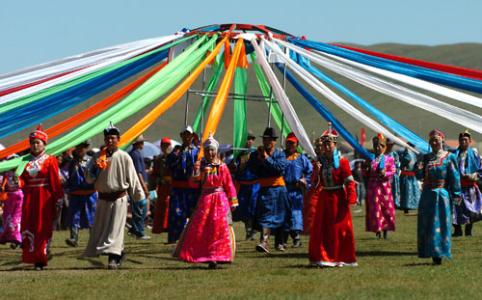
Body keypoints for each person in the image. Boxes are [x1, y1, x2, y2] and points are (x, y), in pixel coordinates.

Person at [83, 123, 145, 270]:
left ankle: (113, 258)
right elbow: (89, 179)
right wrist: (92, 169)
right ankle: (119, 252)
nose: (110, 141)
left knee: (115, 230)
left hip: (119, 199)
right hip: (103, 198)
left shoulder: (124, 157)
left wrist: (139, 197)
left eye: (112, 138)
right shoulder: (98, 157)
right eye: (107, 138)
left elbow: (133, 178)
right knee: (103, 229)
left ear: (118, 139)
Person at [174, 135, 238, 269]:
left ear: (216, 151)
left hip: (220, 201)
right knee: (202, 228)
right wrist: (195, 173)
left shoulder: (222, 166)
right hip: (205, 200)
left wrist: (233, 201)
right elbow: (193, 184)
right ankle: (204, 255)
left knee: (219, 229)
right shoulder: (201, 166)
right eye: (208, 150)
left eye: (212, 150)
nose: (210, 153)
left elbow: (229, 185)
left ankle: (219, 256)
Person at [309, 125, 357, 267]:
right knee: (323, 228)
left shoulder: (342, 162)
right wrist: (316, 172)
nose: (326, 147)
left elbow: (349, 181)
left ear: (334, 144)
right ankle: (323, 257)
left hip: (338, 199)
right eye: (324, 144)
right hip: (325, 198)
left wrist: (351, 197)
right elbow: (315, 183)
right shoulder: (319, 162)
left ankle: (340, 257)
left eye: (329, 144)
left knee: (339, 228)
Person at [20, 125, 64, 270]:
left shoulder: (50, 160)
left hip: (45, 198)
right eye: (33, 142)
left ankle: (41, 258)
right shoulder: (24, 161)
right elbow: (22, 179)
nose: (35, 145)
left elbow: (54, 182)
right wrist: (17, 182)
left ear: (44, 144)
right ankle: (32, 256)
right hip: (29, 198)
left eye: (38, 142)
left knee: (42, 227)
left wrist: (58, 198)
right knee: (29, 225)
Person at [416, 129, 461, 265]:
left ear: (442, 140)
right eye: (432, 140)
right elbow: (419, 176)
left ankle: (440, 253)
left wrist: (456, 195)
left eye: (436, 139)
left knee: (441, 224)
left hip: (442, 196)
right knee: (428, 224)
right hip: (427, 196)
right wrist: (418, 168)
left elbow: (455, 178)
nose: (434, 142)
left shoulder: (449, 157)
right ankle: (430, 251)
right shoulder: (425, 157)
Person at [247, 127, 289, 253]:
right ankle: (264, 242)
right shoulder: (256, 154)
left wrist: (266, 159)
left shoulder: (280, 154)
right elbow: (252, 169)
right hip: (265, 189)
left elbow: (279, 169)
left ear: (274, 141)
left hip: (279, 190)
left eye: (270, 140)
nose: (267, 142)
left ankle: (280, 242)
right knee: (266, 215)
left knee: (281, 216)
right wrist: (259, 160)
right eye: (265, 139)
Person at [166, 126, 200, 243]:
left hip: (192, 188)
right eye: (184, 135)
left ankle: (191, 238)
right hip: (177, 188)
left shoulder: (197, 151)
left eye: (189, 135)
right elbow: (169, 163)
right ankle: (174, 237)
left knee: (192, 213)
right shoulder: (176, 150)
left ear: (192, 137)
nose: (186, 137)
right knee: (176, 213)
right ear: (181, 136)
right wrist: (180, 154)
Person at [64, 141, 97, 247]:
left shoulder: (91, 161)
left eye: (82, 147)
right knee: (74, 216)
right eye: (78, 147)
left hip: (89, 194)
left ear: (86, 148)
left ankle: (94, 239)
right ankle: (74, 238)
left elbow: (94, 176)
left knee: (92, 217)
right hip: (75, 193)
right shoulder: (72, 162)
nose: (79, 149)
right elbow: (71, 177)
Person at [283, 132, 312, 248]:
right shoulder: (281, 157)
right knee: (284, 215)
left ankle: (296, 238)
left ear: (297, 144)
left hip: (296, 190)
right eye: (288, 142)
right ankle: (283, 239)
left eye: (292, 143)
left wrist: (305, 180)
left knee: (295, 214)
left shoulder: (302, 158)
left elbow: (310, 171)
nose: (290, 145)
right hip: (283, 190)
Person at [365, 134, 396, 239]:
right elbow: (367, 172)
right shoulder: (371, 159)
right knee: (375, 209)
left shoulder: (389, 159)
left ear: (384, 147)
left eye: (380, 146)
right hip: (373, 187)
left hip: (384, 187)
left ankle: (385, 230)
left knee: (386, 208)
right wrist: (367, 170)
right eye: (376, 146)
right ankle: (377, 230)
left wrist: (385, 173)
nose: (378, 148)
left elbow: (393, 170)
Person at [230, 131, 260, 240]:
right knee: (243, 209)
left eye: (251, 139)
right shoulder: (237, 154)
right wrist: (234, 166)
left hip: (255, 186)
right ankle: (248, 231)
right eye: (247, 138)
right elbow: (232, 169)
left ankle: (253, 230)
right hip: (242, 186)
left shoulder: (257, 153)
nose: (249, 141)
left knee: (254, 208)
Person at [452, 130, 482, 236]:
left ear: (469, 141)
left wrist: (474, 176)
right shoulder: (453, 154)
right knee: (455, 208)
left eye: (465, 140)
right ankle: (457, 230)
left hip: (470, 187)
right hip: (456, 188)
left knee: (471, 209)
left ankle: (468, 231)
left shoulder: (474, 154)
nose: (463, 141)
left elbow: (480, 169)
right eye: (461, 140)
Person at [128, 135, 151, 240]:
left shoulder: (133, 154)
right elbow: (138, 173)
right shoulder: (136, 155)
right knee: (140, 208)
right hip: (138, 185)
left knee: (137, 208)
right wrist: (144, 187)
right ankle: (139, 232)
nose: (143, 144)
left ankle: (134, 229)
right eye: (142, 142)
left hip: (136, 185)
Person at [0, 155, 24, 249]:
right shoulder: (6, 173)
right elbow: (3, 186)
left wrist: (20, 182)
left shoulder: (20, 172)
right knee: (7, 218)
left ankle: (17, 240)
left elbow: (23, 183)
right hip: (8, 197)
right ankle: (6, 237)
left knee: (15, 219)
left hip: (18, 196)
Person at [151, 137, 172, 235]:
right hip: (162, 185)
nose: (166, 147)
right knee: (161, 205)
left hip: (172, 185)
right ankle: (159, 227)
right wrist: (157, 182)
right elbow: (154, 173)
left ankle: (168, 226)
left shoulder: (174, 158)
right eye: (164, 145)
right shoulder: (158, 159)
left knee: (170, 205)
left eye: (167, 145)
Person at [303, 137, 323, 235]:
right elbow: (310, 178)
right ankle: (311, 230)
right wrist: (315, 170)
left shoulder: (330, 160)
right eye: (317, 146)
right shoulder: (312, 162)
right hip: (314, 190)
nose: (319, 148)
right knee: (311, 207)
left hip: (325, 189)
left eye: (320, 146)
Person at [399, 142, 421, 214]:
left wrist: (417, 165)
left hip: (410, 174)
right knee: (407, 192)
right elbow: (406, 160)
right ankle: (406, 207)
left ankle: (410, 206)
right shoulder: (408, 151)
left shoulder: (412, 152)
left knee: (410, 191)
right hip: (407, 175)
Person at [386, 139, 401, 208]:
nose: (390, 146)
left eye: (391, 145)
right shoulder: (383, 153)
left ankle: (395, 203)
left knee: (395, 189)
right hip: (386, 174)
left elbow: (398, 163)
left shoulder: (394, 154)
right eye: (389, 145)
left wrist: (396, 170)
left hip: (394, 174)